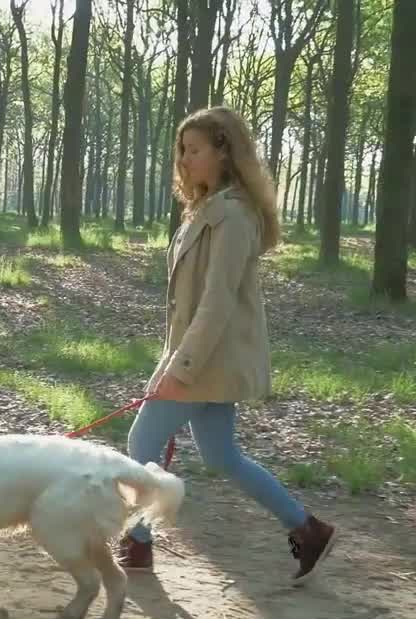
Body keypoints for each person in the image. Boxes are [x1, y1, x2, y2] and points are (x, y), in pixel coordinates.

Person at [117, 106, 336, 586]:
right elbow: (188, 306)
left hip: (207, 361)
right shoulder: (207, 208)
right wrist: (169, 363)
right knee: (221, 455)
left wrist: (181, 368)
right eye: (182, 150)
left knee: (143, 441)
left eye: (194, 150)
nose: (185, 160)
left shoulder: (233, 215)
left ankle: (137, 545)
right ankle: (308, 528)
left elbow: (215, 304)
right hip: (199, 358)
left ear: (223, 150)